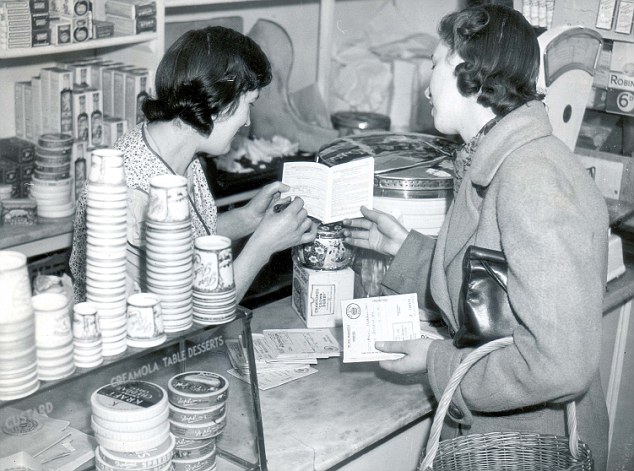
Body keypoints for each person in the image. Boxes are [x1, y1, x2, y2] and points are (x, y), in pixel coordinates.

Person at [344, 5, 609, 469]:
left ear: (467, 68)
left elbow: (561, 365)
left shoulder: (530, 177)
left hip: (527, 448)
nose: (427, 86)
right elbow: (500, 288)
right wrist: (406, 251)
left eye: (433, 64)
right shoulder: (501, 158)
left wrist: (436, 360)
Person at [69, 26, 316, 303]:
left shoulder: (172, 144)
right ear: (220, 102)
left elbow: (182, 239)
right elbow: (195, 310)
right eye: (249, 104)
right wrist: (262, 246)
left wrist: (249, 218)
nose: (247, 122)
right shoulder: (134, 195)